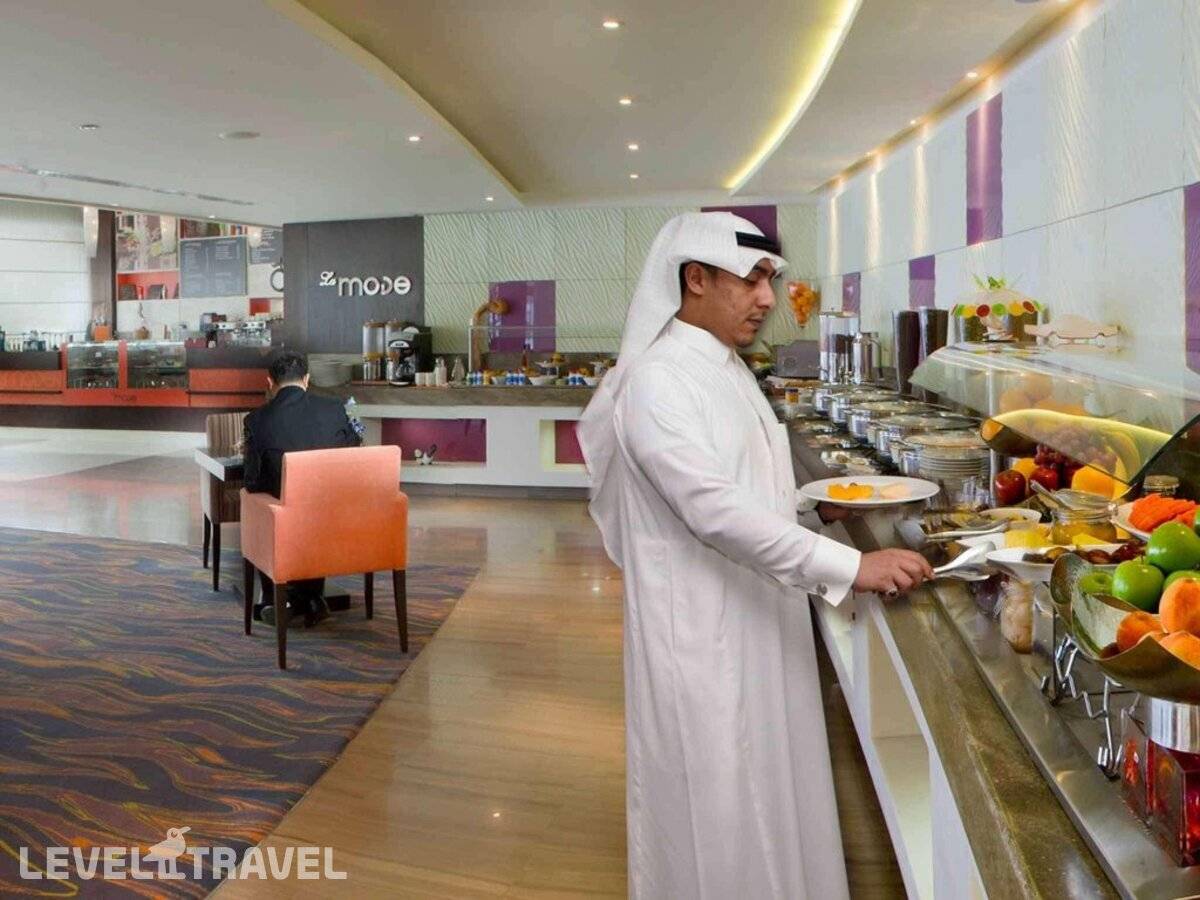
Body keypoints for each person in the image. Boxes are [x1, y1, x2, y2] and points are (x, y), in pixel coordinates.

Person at [577, 212, 932, 899]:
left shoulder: (722, 365)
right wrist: (853, 566)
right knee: (719, 802)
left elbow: (743, 489)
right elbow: (713, 511)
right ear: (695, 279)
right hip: (700, 634)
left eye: (770, 278)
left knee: (772, 787)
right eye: (752, 279)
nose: (768, 298)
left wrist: (812, 510)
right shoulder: (658, 380)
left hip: (755, 616)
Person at [243, 350, 361, 627]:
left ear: (270, 382)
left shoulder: (256, 420)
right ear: (307, 379)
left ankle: (277, 599)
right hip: (333, 517)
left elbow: (252, 481)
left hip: (284, 519)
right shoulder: (335, 409)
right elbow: (352, 452)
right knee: (314, 509)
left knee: (264, 508)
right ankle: (311, 598)